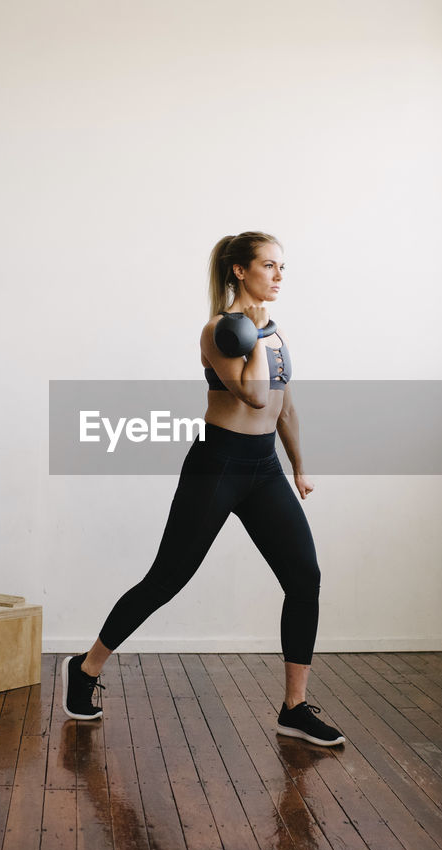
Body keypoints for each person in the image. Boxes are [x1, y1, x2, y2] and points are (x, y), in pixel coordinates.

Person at [61, 231, 345, 747]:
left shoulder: (274, 333)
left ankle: (294, 707)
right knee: (167, 578)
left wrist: (299, 465)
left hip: (264, 469)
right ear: (240, 270)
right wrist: (256, 335)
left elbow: (286, 405)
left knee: (304, 576)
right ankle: (84, 669)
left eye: (284, 267)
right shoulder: (221, 331)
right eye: (269, 266)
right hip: (217, 464)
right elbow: (256, 396)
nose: (279, 276)